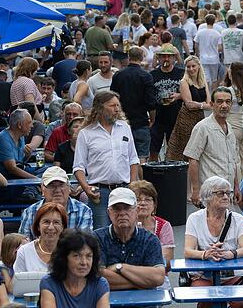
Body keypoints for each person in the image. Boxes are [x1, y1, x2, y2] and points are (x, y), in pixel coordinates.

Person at [73, 91, 140, 229]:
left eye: (118, 105)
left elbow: (133, 159)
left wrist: (132, 185)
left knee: (126, 230)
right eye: (112, 106)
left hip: (124, 188)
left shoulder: (125, 128)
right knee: (101, 234)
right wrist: (86, 188)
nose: (117, 109)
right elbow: (78, 167)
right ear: (100, 108)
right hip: (99, 192)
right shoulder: (86, 133)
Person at [183, 177, 243, 308]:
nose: (226, 197)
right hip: (204, 276)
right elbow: (187, 251)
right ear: (207, 197)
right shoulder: (194, 219)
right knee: (206, 301)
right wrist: (206, 254)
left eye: (228, 193)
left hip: (232, 275)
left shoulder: (239, 219)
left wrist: (231, 254)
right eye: (220, 193)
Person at [94, 188, 165, 290]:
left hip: (144, 303)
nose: (122, 213)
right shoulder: (97, 238)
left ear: (136, 211)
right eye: (117, 208)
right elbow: (97, 277)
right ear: (109, 213)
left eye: (127, 208)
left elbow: (158, 277)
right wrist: (142, 283)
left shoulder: (150, 240)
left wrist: (120, 267)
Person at [184, 87, 239, 207]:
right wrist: (196, 190)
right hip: (210, 193)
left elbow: (233, 161)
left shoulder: (230, 129)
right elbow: (193, 159)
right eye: (219, 102)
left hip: (227, 192)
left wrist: (236, 187)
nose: (224, 105)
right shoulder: (202, 127)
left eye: (228, 102)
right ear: (212, 104)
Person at [40, 229, 110, 308]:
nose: (84, 262)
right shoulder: (49, 283)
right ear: (64, 258)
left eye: (88, 256)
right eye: (77, 256)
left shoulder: (100, 284)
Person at [110, 47, 157, 166]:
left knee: (123, 156)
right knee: (142, 157)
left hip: (121, 121)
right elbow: (151, 102)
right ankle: (141, 183)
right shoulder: (146, 76)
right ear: (142, 58)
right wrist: (152, 119)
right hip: (141, 121)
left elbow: (112, 98)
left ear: (128, 58)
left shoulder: (118, 75)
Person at [19, 166, 93, 240]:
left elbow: (84, 244)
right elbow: (23, 244)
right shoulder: (30, 212)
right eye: (52, 185)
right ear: (42, 189)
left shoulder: (83, 211)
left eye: (61, 185)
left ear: (69, 188)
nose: (57, 190)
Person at [165, 55, 211, 162]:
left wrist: (202, 105)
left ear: (198, 66)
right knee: (185, 148)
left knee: (199, 146)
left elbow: (210, 104)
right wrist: (202, 105)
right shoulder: (184, 82)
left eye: (193, 66)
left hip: (200, 117)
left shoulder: (203, 82)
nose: (191, 69)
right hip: (186, 119)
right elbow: (189, 104)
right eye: (188, 67)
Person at [129, 180, 175, 273]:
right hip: (129, 276)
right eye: (138, 199)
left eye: (148, 199)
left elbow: (167, 262)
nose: (143, 203)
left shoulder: (164, 225)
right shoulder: (124, 225)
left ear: (154, 204)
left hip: (156, 276)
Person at [148, 44, 184, 161]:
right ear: (158, 58)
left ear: (174, 58)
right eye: (163, 56)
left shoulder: (181, 73)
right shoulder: (153, 75)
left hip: (175, 117)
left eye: (169, 56)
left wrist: (179, 95)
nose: (166, 59)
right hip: (158, 118)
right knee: (153, 150)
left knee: (174, 151)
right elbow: (149, 97)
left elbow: (191, 93)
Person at [0, 109, 38, 181]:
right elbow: (12, 169)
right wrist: (36, 179)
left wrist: (27, 156)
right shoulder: (3, 139)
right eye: (29, 123)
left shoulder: (21, 136)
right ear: (19, 125)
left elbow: (19, 163)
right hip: (4, 183)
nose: (32, 126)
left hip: (14, 178)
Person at [14, 202, 67, 273]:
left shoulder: (70, 251)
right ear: (38, 226)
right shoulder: (24, 252)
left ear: (62, 227)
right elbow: (18, 283)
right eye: (46, 222)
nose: (51, 227)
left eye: (56, 222)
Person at [194, 14, 223, 89]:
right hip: (214, 59)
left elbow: (196, 45)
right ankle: (213, 95)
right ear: (214, 21)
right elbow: (220, 48)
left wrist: (197, 53)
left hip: (203, 58)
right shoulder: (217, 33)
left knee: (205, 78)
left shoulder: (200, 32)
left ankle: (207, 95)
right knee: (214, 79)